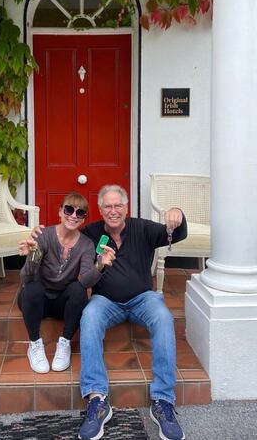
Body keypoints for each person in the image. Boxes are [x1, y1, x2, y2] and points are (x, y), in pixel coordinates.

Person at [76, 184, 187, 440]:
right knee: (89, 316)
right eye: (107, 206)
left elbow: (175, 233)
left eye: (118, 206)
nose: (113, 211)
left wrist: (177, 214)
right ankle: (97, 398)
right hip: (106, 301)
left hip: (142, 298)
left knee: (163, 317)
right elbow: (67, 241)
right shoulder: (91, 233)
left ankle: (163, 401)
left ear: (126, 207)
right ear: (101, 209)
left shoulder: (143, 228)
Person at [18, 192, 115, 374]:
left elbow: (85, 281)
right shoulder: (44, 235)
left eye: (80, 213)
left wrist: (100, 265)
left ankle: (65, 343)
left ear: (84, 218)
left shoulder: (86, 245)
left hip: (62, 303)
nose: (73, 215)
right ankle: (35, 345)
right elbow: (26, 278)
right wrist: (32, 257)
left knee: (78, 290)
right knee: (32, 287)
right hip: (37, 300)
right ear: (60, 212)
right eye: (69, 209)